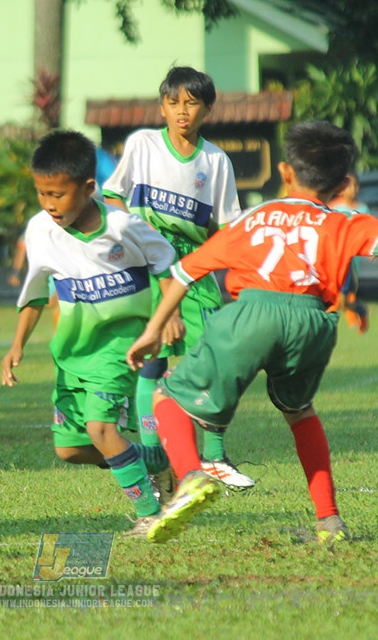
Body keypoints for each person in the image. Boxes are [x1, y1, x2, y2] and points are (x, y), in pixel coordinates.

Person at [125, 121, 378, 544]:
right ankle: (329, 522)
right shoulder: (339, 219)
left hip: (251, 313)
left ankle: (191, 476)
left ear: (284, 172)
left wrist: (154, 330)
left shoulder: (254, 217)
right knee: (300, 412)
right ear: (343, 182)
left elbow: (186, 272)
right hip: (313, 322)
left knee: (168, 395)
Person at [1, 130, 179, 537]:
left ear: (87, 188)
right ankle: (154, 462)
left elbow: (167, 265)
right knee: (71, 449)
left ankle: (152, 514)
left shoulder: (123, 227)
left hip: (120, 348)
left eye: (58, 195)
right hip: (72, 354)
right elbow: (33, 294)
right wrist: (16, 346)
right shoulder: (39, 230)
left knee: (102, 430)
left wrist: (166, 316)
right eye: (41, 193)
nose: (49, 204)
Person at [101, 66, 250, 490]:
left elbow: (227, 227)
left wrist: (234, 276)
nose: (181, 111)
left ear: (207, 108)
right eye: (173, 102)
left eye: (191, 103)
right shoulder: (143, 144)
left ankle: (216, 457)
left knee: (214, 361)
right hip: (149, 271)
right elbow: (112, 195)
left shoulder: (216, 161)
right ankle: (153, 457)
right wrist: (130, 232)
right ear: (161, 106)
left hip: (196, 273)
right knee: (153, 360)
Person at [327, 173, 370, 332]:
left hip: (349, 259)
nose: (353, 189)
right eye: (348, 185)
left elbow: (367, 231)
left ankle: (359, 313)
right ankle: (358, 314)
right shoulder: (333, 207)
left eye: (355, 185)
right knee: (335, 298)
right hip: (333, 257)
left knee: (344, 299)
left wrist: (371, 249)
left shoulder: (362, 208)